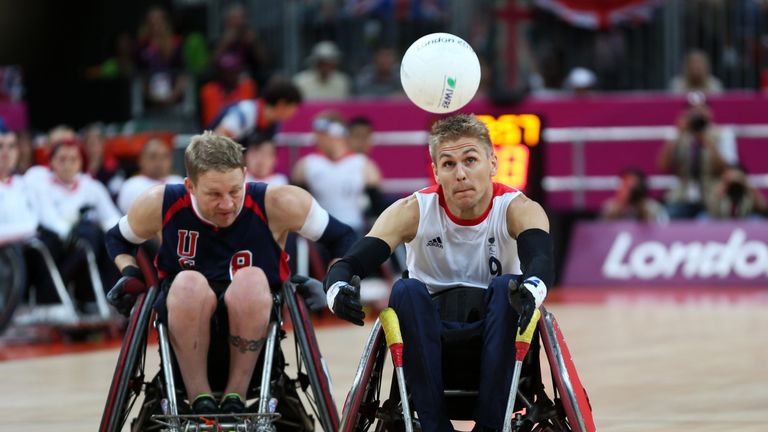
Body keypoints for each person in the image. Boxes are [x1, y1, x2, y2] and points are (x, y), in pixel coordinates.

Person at [323, 114, 554, 432]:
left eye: (470, 160)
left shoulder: (518, 208)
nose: (460, 174)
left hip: (498, 337)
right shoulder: (413, 210)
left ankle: (489, 426)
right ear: (436, 171)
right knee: (406, 290)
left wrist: (533, 288)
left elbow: (540, 259)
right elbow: (352, 262)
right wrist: (336, 288)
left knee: (507, 287)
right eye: (448, 164)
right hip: (429, 343)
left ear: (492, 163)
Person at [104, 131, 356, 416]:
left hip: (257, 323)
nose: (227, 204)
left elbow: (344, 237)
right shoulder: (160, 203)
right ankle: (200, 397)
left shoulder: (278, 201)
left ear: (245, 175)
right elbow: (117, 239)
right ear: (190, 186)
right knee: (188, 282)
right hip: (184, 317)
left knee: (250, 278)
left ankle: (235, 394)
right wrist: (130, 273)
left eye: (235, 190)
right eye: (214, 194)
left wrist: (333, 280)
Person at [291, 110, 383, 235]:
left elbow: (377, 207)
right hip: (319, 232)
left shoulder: (364, 165)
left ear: (336, 134)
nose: (316, 138)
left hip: (353, 230)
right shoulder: (305, 166)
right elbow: (296, 208)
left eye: (321, 134)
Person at [657, 92, 732, 218]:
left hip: (712, 195)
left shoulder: (723, 134)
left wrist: (707, 142)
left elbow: (728, 169)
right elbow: (663, 165)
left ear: (710, 112)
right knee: (667, 217)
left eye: (702, 108)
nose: (698, 112)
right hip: (682, 196)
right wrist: (678, 133)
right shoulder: (678, 135)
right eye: (693, 109)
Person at [211, 77, 302, 144]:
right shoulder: (246, 112)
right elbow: (216, 141)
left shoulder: (274, 125)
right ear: (281, 104)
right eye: (294, 106)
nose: (295, 111)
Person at [117, 137, 183, 213]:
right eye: (153, 156)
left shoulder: (179, 182)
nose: (159, 161)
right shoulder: (130, 185)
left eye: (164, 156)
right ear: (141, 160)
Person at [600, 167, 668, 223]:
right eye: (626, 185)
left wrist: (642, 211)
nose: (630, 191)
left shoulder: (653, 207)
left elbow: (660, 229)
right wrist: (616, 213)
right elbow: (601, 230)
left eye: (633, 187)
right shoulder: (611, 207)